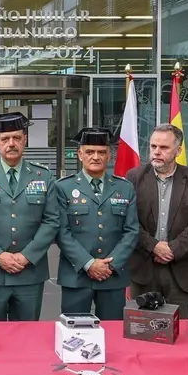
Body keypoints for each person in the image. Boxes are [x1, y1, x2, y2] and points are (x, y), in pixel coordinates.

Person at [0, 112, 60, 321]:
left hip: (29, 274)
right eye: (5, 139)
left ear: (25, 139)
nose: (11, 143)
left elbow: (52, 221)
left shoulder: (43, 175)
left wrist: (26, 256)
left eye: (16, 138)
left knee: (26, 339)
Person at [126, 124, 188, 316]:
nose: (157, 152)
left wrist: (172, 249)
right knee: (143, 330)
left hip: (184, 269)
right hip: (144, 267)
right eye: (153, 146)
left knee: (182, 333)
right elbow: (128, 220)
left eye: (164, 148)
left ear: (178, 150)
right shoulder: (134, 177)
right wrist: (154, 246)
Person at [55, 128, 140, 320]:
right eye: (89, 152)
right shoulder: (63, 187)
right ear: (80, 154)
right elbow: (61, 231)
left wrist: (111, 265)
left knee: (113, 334)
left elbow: (132, 231)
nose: (95, 157)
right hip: (76, 275)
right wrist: (89, 263)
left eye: (101, 152)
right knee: (74, 333)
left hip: (113, 275)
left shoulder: (124, 188)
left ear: (109, 155)